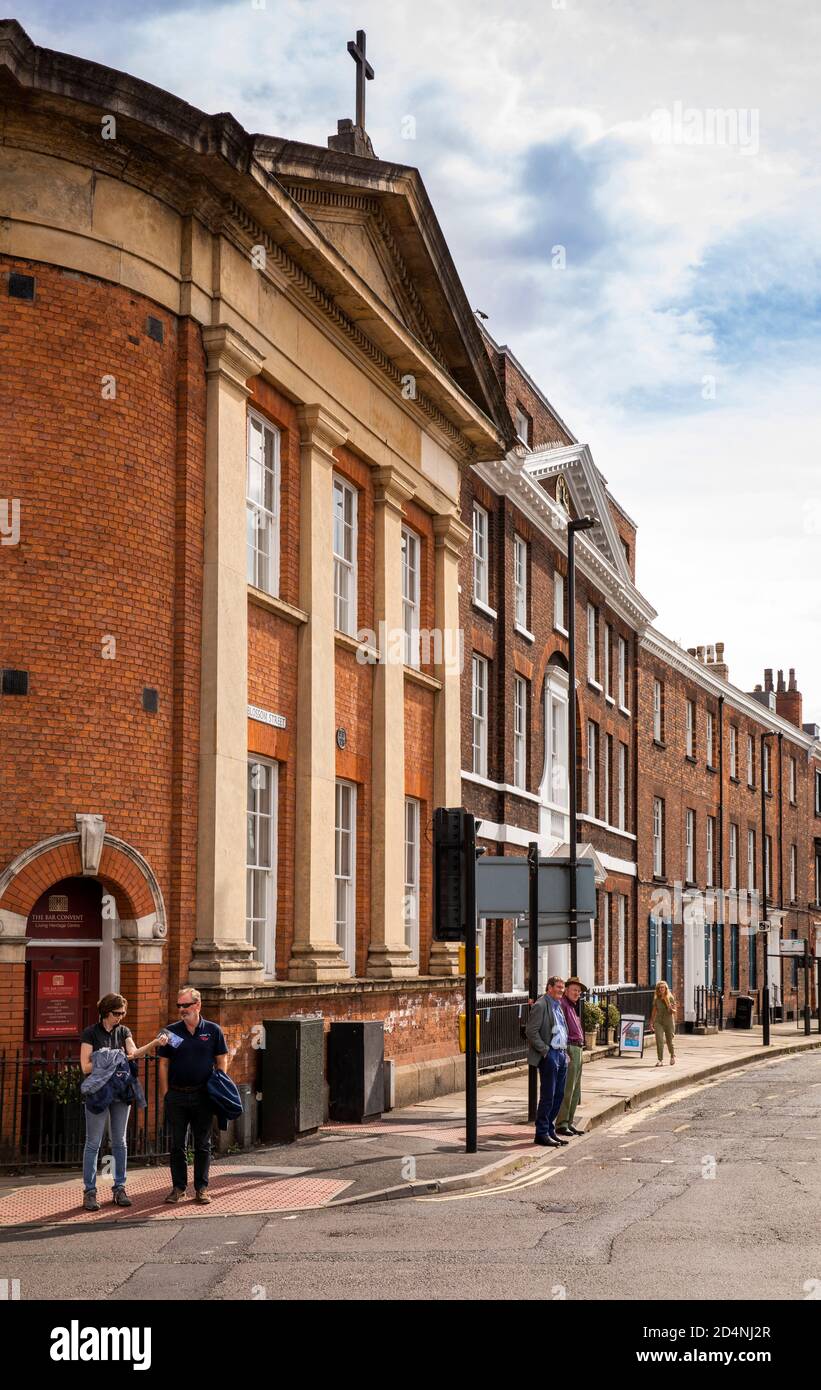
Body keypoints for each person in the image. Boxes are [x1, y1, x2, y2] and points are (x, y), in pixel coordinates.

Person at [79, 993, 167, 1212]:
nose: (121, 1017)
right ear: (106, 1013)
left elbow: (133, 1053)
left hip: (120, 1091)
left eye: (123, 1013)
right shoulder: (90, 1033)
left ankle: (119, 1187)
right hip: (99, 1093)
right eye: (117, 1013)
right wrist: (110, 1057)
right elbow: (85, 1067)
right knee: (93, 1143)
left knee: (119, 1141)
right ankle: (89, 1191)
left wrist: (155, 1043)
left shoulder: (124, 1031)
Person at [158, 985, 229, 1204]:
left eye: (185, 1005)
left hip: (202, 1096)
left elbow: (222, 1059)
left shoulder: (212, 1030)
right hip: (177, 1096)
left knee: (202, 1144)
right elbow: (163, 1064)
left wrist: (218, 1086)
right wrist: (166, 1094)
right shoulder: (171, 1032)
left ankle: (202, 1188)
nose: (181, 1009)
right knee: (177, 1144)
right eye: (179, 1005)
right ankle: (179, 1188)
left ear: (197, 1005)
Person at [525, 976, 569, 1148]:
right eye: (558, 987)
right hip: (549, 1055)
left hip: (561, 1054)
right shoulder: (541, 1005)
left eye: (562, 987)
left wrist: (565, 1053)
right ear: (549, 987)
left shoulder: (558, 1005)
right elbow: (531, 1031)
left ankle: (550, 1130)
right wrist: (545, 1051)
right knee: (548, 1096)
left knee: (559, 1095)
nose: (561, 990)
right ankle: (541, 1133)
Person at [555, 976, 586, 1137]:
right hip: (570, 1048)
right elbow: (561, 1028)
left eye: (579, 991)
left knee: (576, 1090)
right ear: (566, 990)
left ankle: (569, 1121)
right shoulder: (563, 1005)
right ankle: (561, 1123)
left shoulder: (572, 1006)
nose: (577, 993)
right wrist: (565, 1050)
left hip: (578, 1048)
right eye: (574, 990)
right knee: (568, 1088)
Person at [650, 980, 677, 1066]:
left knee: (669, 1041)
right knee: (659, 1040)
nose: (661, 989)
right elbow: (654, 1011)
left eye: (663, 987)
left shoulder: (670, 997)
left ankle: (672, 1055)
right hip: (658, 1021)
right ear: (657, 989)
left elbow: (674, 1011)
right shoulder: (656, 999)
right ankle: (660, 1060)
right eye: (659, 988)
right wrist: (651, 1022)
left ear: (666, 989)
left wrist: (670, 1007)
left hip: (668, 1021)